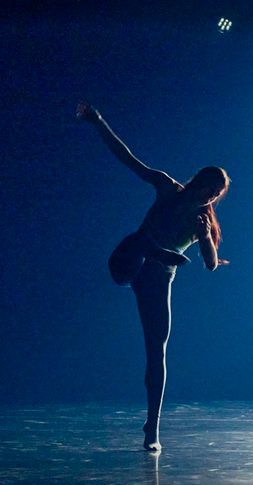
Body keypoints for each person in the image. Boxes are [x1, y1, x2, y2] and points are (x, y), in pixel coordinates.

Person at [76, 102, 230, 452]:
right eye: (208, 189)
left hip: (157, 278)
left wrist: (206, 237)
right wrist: (97, 120)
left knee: (157, 349)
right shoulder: (167, 188)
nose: (210, 197)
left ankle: (152, 427)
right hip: (128, 260)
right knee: (140, 244)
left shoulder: (203, 222)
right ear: (197, 182)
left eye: (215, 195)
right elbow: (128, 159)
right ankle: (152, 248)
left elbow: (210, 264)